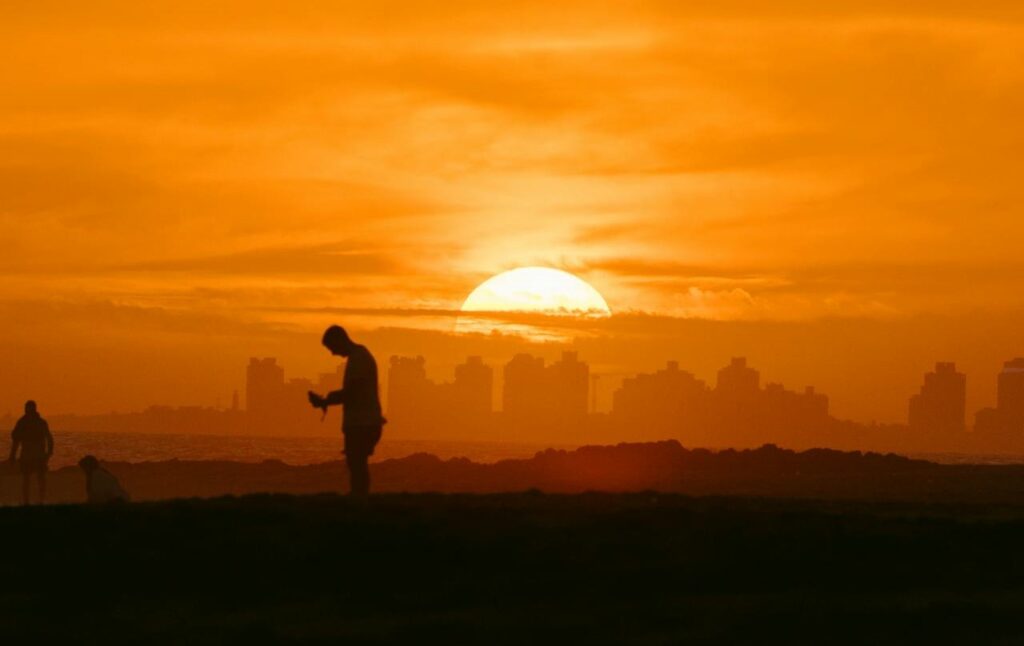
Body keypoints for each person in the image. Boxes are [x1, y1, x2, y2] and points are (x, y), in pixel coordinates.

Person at [308, 325, 385, 497]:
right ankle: (359, 498)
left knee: (357, 464)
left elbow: (352, 392)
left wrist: (326, 400)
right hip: (364, 421)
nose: (333, 353)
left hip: (362, 423)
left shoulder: (359, 359)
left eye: (332, 348)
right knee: (357, 464)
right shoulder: (359, 357)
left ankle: (359, 499)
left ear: (339, 340)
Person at [8, 400, 54, 505]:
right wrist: (12, 455)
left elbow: (49, 438)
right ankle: (28, 501)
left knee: (37, 479)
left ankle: (39, 500)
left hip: (35, 456)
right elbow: (16, 441)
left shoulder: (35, 422)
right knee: (28, 479)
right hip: (30, 456)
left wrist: (49, 452)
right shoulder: (25, 422)